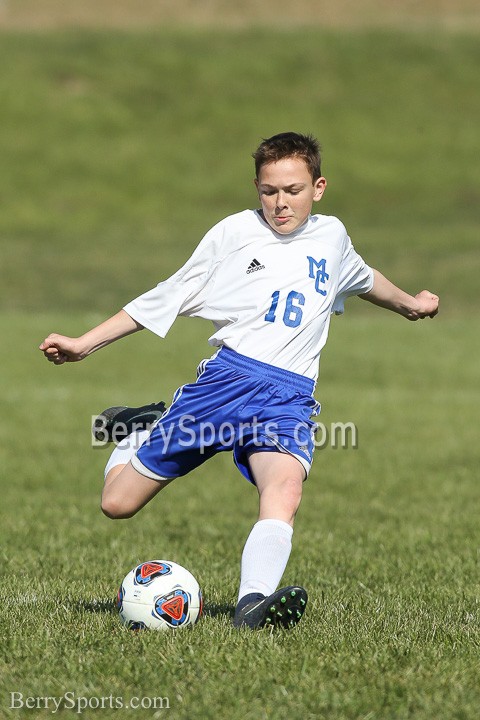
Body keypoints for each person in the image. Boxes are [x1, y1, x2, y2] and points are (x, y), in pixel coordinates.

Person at [40, 132, 439, 630]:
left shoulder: (333, 236)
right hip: (227, 385)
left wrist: (410, 304)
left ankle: (253, 603)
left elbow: (362, 277)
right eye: (269, 191)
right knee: (116, 504)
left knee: (285, 487)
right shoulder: (235, 234)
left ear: (318, 187)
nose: (280, 203)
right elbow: (171, 292)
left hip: (290, 397)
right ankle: (138, 430)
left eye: (292, 190)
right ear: (256, 187)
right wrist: (84, 343)